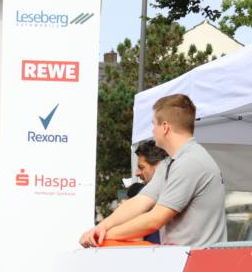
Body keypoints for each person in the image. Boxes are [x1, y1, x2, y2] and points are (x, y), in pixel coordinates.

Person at [79, 94, 227, 248]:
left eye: (153, 125)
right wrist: (101, 227)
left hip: (200, 263)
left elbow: (155, 219)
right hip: (185, 259)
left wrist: (104, 235)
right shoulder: (172, 162)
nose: (152, 131)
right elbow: (139, 202)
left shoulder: (190, 162)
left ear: (165, 127)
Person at [124, 139, 169, 244]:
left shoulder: (175, 191)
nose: (137, 173)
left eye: (141, 167)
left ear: (158, 166)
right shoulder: (140, 191)